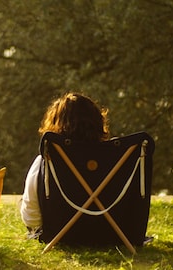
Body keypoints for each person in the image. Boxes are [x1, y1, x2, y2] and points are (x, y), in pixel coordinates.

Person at [20, 92, 109, 239]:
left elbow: (31, 217)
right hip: (111, 230)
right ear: (99, 122)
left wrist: (37, 228)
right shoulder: (117, 159)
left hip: (57, 232)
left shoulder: (45, 160)